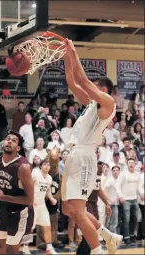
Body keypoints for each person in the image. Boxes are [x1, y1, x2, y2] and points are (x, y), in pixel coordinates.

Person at [61, 40, 122, 255]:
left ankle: (98, 251)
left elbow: (83, 80)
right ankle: (108, 236)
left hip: (84, 156)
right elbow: (72, 81)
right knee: (69, 209)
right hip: (74, 156)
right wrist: (66, 56)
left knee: (78, 212)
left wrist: (74, 52)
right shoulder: (91, 105)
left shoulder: (107, 103)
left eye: (96, 87)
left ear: (103, 89)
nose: (91, 88)